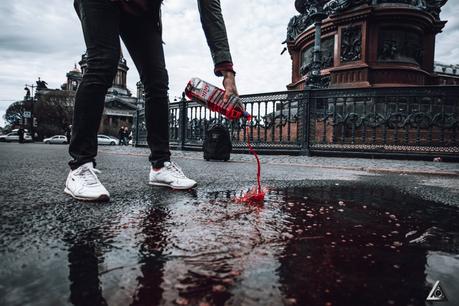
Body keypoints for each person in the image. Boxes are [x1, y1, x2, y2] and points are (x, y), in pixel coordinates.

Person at [65, 0, 239, 201]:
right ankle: (80, 166)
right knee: (103, 62)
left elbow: (211, 11)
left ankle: (160, 165)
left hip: (140, 8)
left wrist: (227, 71)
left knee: (157, 79)